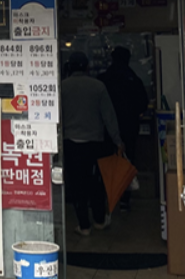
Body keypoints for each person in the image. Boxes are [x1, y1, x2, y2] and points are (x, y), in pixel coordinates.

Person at [62, 51, 124, 236]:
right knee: (96, 183)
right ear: (87, 67)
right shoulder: (98, 87)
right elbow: (109, 117)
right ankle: (99, 220)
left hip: (70, 143)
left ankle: (84, 226)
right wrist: (117, 140)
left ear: (69, 67)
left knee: (77, 185)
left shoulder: (61, 87)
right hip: (95, 143)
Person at [98, 46, 149, 211]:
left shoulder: (103, 79)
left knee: (106, 162)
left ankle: (106, 197)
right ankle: (124, 200)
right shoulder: (133, 79)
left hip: (105, 129)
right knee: (126, 161)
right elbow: (143, 103)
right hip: (129, 128)